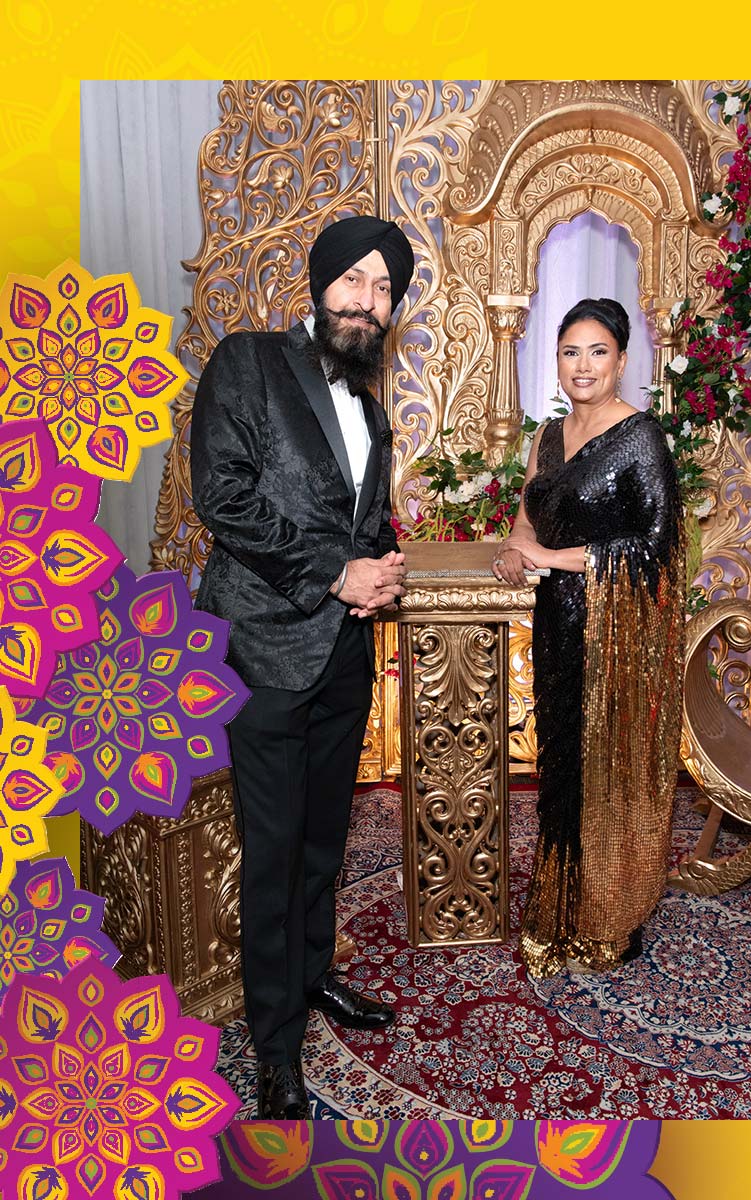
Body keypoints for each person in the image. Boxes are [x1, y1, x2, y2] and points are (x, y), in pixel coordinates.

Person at [190, 215, 414, 1118]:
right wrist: (336, 572)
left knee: (324, 843)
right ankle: (274, 1047)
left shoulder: (367, 401)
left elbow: (359, 518)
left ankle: (314, 978)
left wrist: (384, 560)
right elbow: (225, 496)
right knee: (275, 854)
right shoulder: (248, 362)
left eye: (386, 289)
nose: (369, 302)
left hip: (342, 656)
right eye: (355, 282)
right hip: (264, 652)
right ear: (319, 284)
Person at [492, 297, 684, 977]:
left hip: (616, 635)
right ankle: (561, 901)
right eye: (571, 351)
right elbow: (527, 513)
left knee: (607, 769)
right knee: (563, 766)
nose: (583, 365)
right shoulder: (548, 435)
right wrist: (520, 547)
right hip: (558, 626)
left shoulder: (640, 438)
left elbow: (656, 549)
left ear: (622, 360)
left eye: (597, 351)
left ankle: (609, 911)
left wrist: (552, 560)